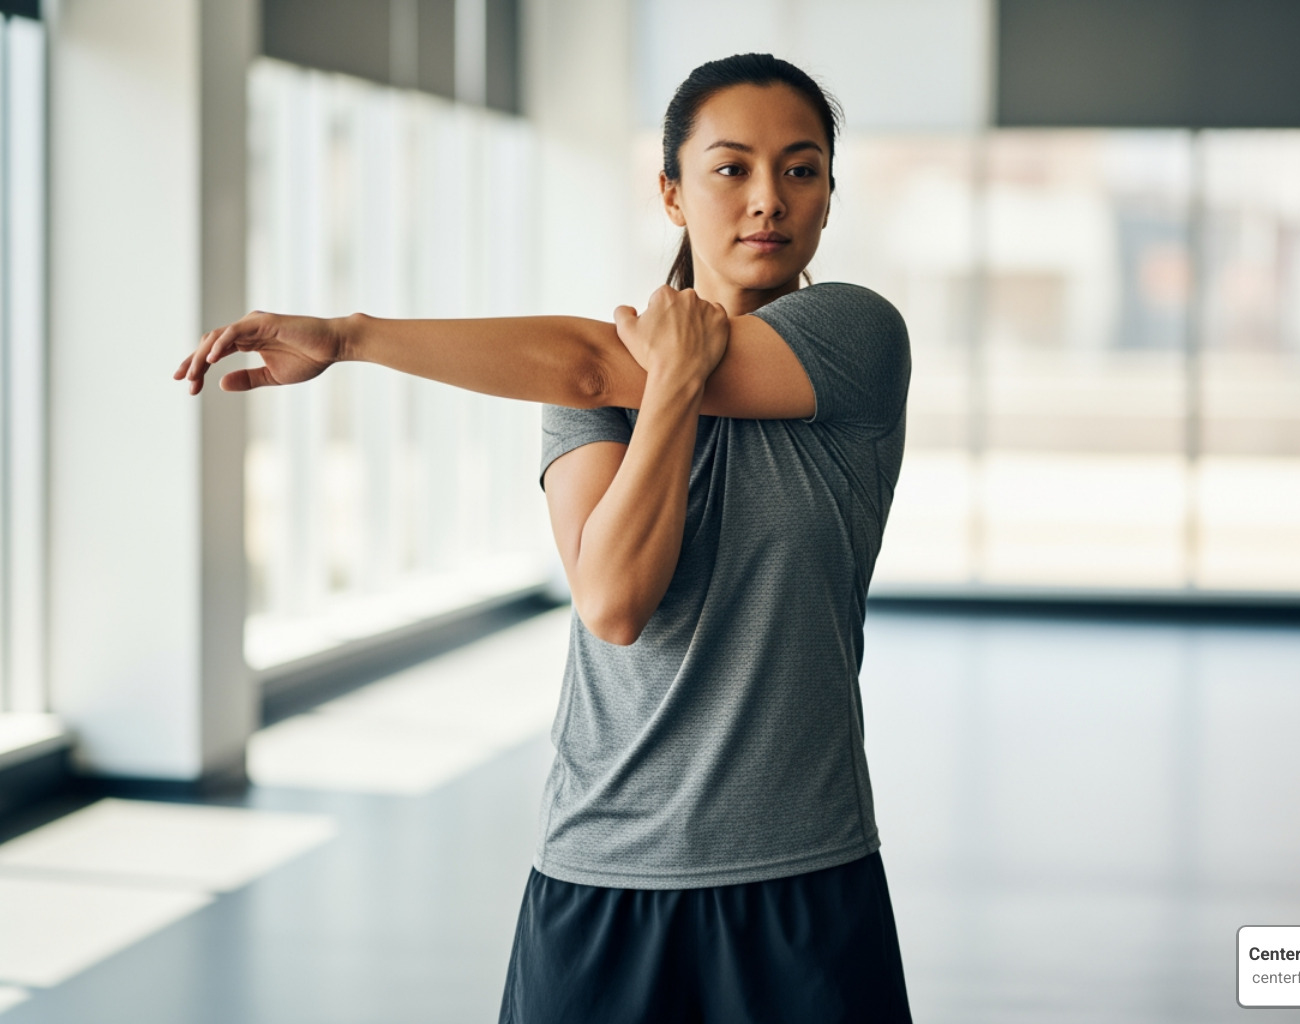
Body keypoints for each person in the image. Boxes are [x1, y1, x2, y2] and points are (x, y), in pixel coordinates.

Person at [178, 52, 913, 1023]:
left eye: (801, 169)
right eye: (731, 168)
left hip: (804, 876)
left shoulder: (859, 338)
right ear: (671, 192)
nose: (767, 199)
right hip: (600, 870)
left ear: (827, 196)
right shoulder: (583, 390)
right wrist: (673, 385)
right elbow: (614, 603)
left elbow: (589, 363)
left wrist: (355, 336)